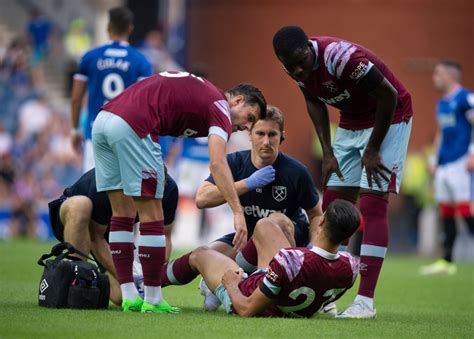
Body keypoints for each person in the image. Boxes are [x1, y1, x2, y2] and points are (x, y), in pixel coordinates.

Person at [92, 70, 266, 313]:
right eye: (250, 117)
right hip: (133, 125)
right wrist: (238, 211)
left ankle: (130, 296)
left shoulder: (205, 95)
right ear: (237, 100)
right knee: (153, 215)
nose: (247, 126)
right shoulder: (221, 108)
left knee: (121, 214)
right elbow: (217, 163)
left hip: (104, 120)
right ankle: (152, 299)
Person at [272, 26, 413, 318]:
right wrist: (327, 153)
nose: (299, 70)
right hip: (351, 120)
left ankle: (365, 301)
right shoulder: (293, 66)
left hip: (390, 116)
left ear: (309, 48)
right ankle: (327, 291)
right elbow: (313, 100)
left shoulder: (341, 57)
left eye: (302, 61)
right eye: (291, 66)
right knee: (334, 206)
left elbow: (388, 95)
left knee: (373, 204)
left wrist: (373, 149)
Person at [161, 106, 323, 301]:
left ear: (282, 137)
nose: (266, 141)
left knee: (276, 220)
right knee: (202, 254)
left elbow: (315, 214)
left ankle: (276, 286)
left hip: (288, 242)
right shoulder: (234, 163)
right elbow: (202, 198)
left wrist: (315, 250)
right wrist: (248, 183)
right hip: (246, 238)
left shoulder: (296, 172)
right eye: (260, 133)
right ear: (250, 135)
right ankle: (148, 282)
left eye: (272, 134)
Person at [189, 199, 360, 317]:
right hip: (286, 297)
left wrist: (232, 286)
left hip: (251, 296)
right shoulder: (352, 267)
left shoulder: (292, 258)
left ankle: (161, 289)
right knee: (265, 225)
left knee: (200, 254)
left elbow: (246, 309)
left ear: (321, 222)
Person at [47, 168, 179, 305]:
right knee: (81, 205)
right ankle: (77, 278)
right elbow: (95, 238)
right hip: (73, 218)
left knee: (124, 297)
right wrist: (128, 279)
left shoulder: (169, 191)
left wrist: (153, 280)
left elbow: (164, 238)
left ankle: (94, 276)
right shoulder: (108, 181)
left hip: (112, 231)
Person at [70, 6, 152, 172]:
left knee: (93, 190)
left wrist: (74, 129)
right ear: (130, 28)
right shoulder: (141, 61)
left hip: (95, 132)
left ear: (108, 27)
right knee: (122, 192)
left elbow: (76, 98)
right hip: (126, 135)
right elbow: (146, 103)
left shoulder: (90, 57)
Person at [420, 61, 474, 275]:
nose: (434, 77)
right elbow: (441, 133)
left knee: (464, 209)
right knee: (446, 211)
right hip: (444, 164)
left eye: (438, 73)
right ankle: (447, 261)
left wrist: (472, 153)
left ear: (451, 76)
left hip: (462, 162)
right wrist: (434, 160)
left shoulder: (466, 98)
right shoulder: (441, 103)